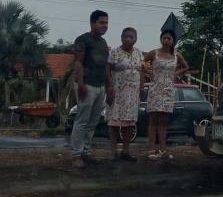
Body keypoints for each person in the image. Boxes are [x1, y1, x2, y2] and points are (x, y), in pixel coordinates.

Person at [70, 10, 110, 169]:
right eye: (101, 22)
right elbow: (78, 63)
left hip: (100, 86)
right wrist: (80, 84)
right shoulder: (82, 40)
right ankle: (76, 154)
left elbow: (105, 66)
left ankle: (86, 151)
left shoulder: (103, 42)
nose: (105, 25)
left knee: (93, 121)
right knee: (82, 120)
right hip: (87, 85)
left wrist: (109, 86)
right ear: (93, 23)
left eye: (106, 22)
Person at [144, 30, 189, 160]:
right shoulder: (154, 53)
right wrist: (149, 72)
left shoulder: (176, 56)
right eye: (164, 38)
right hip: (155, 89)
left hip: (169, 90)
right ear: (161, 39)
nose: (166, 40)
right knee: (153, 120)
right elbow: (142, 62)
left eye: (169, 38)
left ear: (173, 41)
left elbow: (186, 66)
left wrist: (175, 74)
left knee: (164, 122)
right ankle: (151, 149)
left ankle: (163, 149)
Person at [106, 27, 143, 162]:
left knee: (129, 124)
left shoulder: (139, 53)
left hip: (133, 93)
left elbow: (142, 70)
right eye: (125, 36)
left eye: (131, 36)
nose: (128, 38)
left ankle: (125, 152)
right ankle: (113, 152)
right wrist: (109, 87)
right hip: (117, 91)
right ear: (121, 37)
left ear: (136, 38)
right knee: (114, 123)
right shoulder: (115, 52)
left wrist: (142, 86)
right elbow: (108, 69)